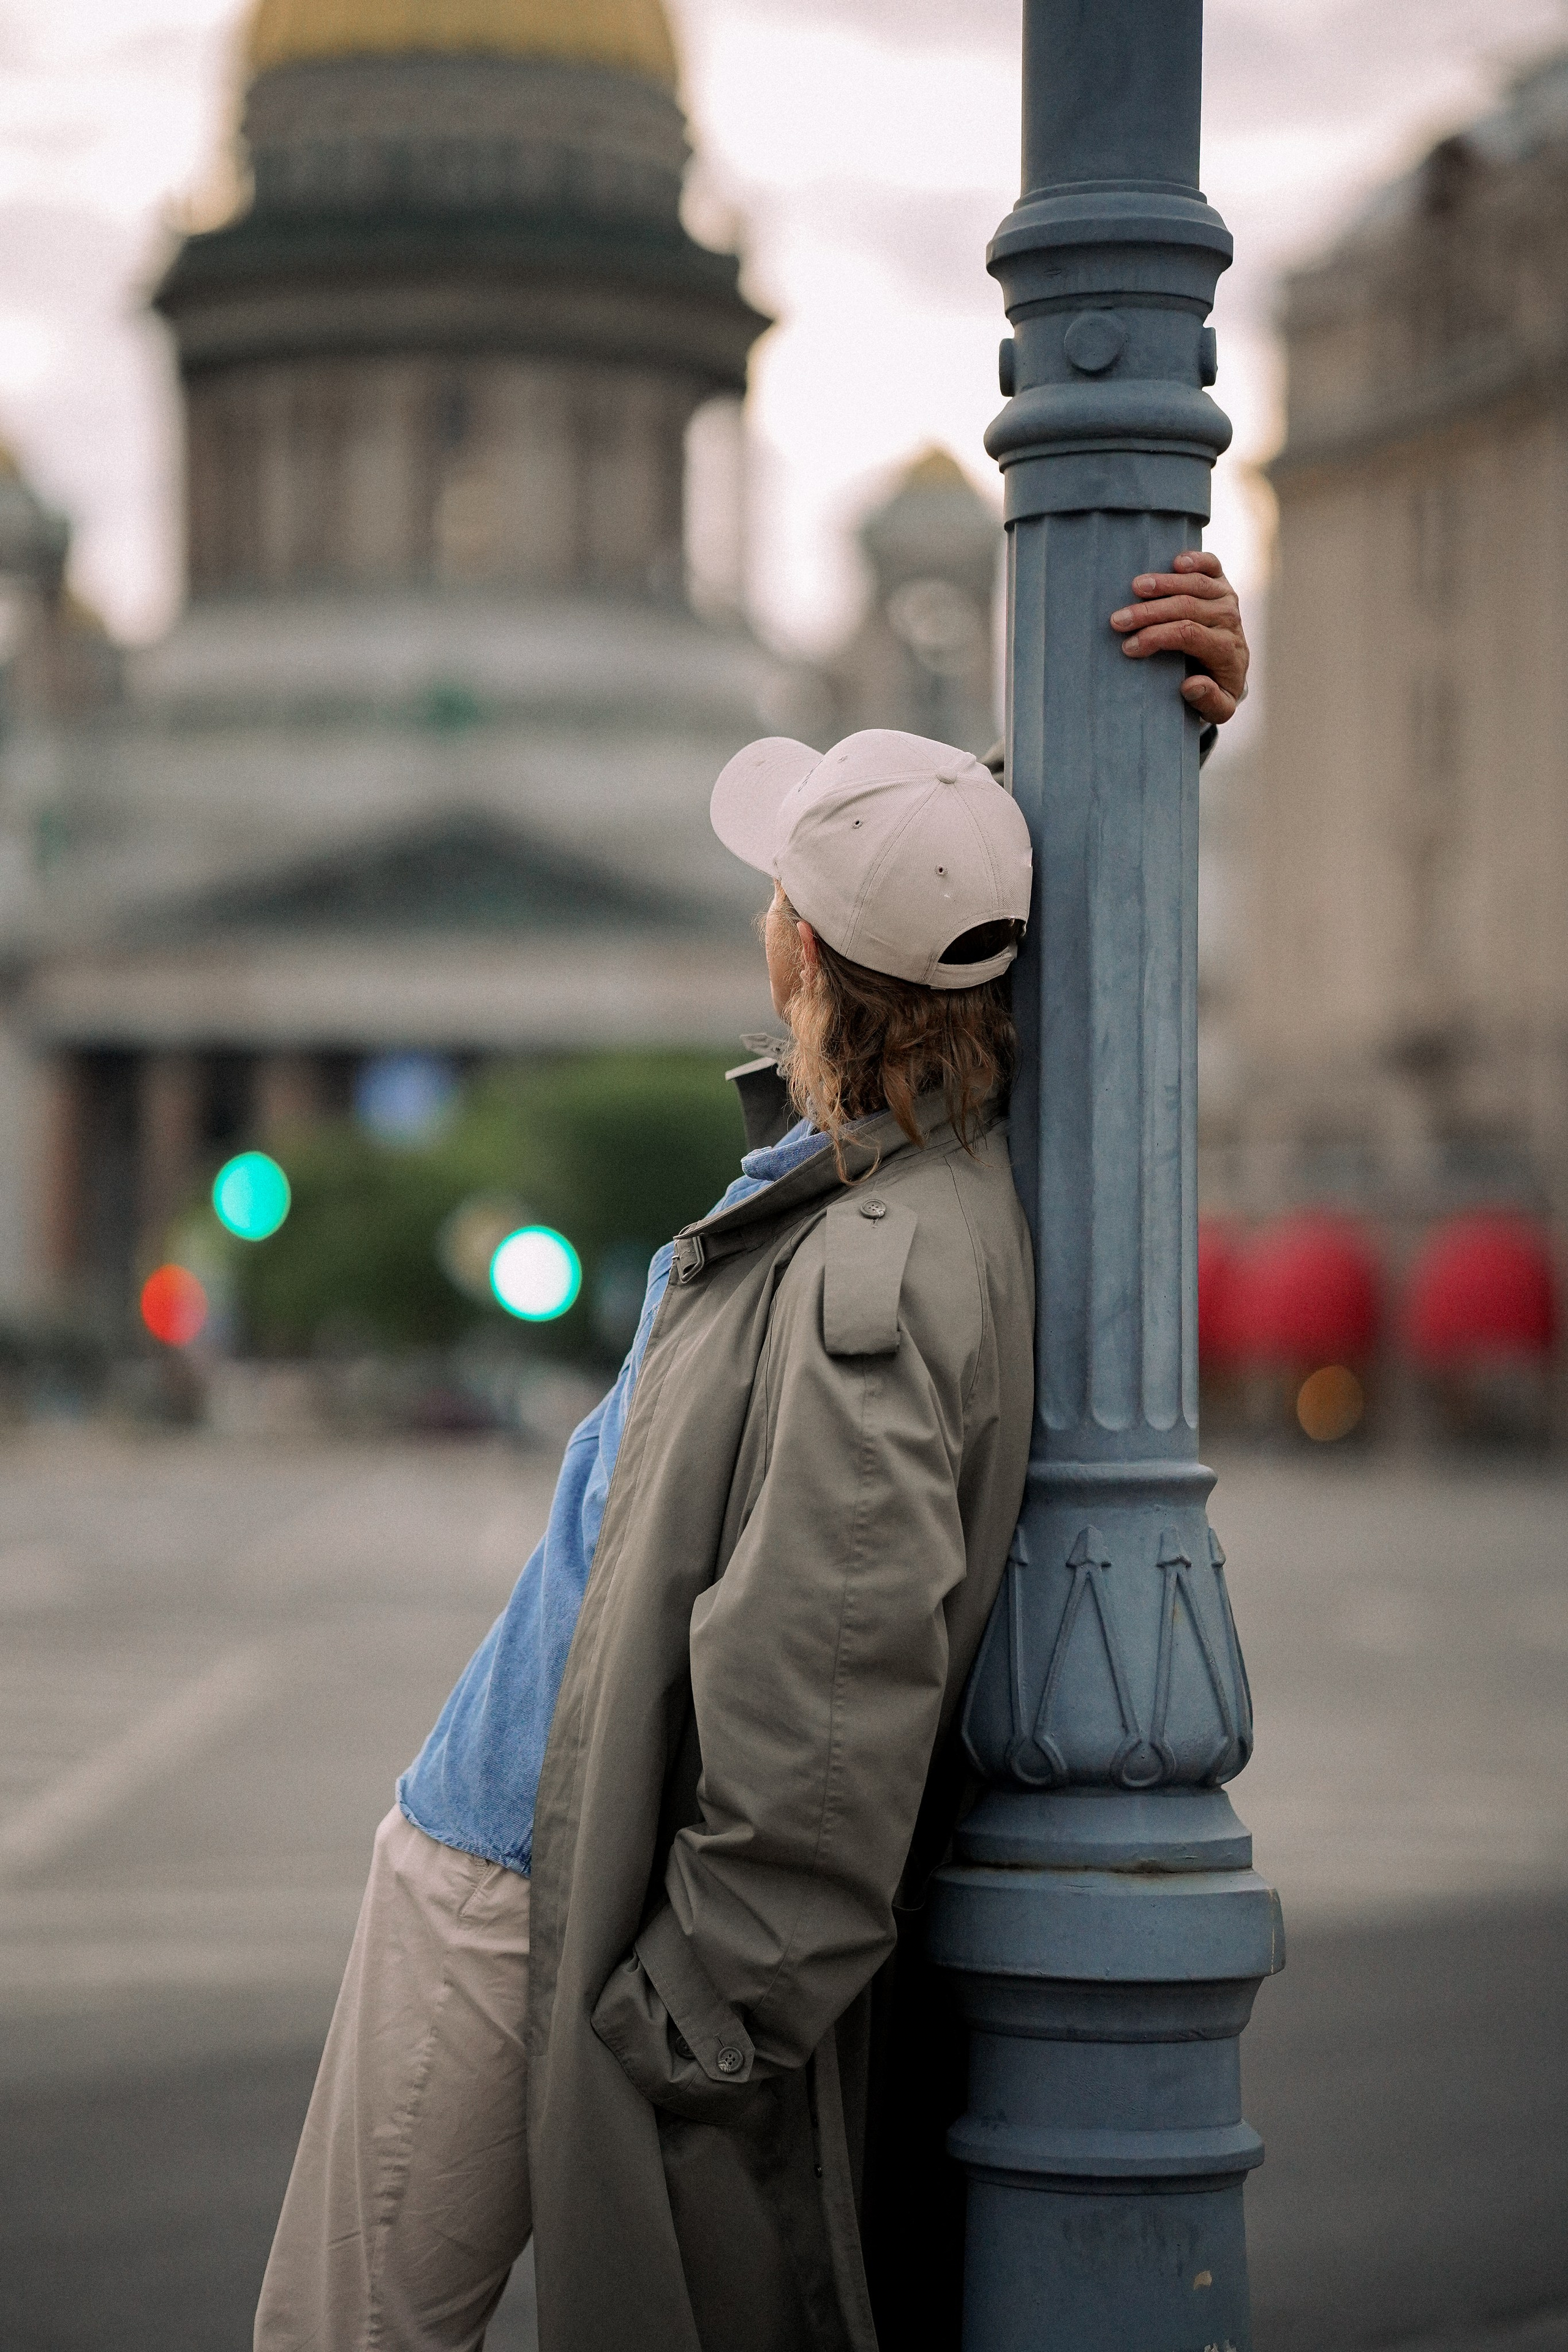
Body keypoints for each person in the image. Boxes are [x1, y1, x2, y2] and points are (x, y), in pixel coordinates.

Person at [255, 551, 1249, 2352]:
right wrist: (1163, 738)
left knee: (348, 2335)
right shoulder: (877, 1174)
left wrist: (686, 2018)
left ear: (796, 945)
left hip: (514, 1872)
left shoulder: (882, 1250)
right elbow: (1008, 915)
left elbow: (826, 1676)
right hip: (529, 1840)